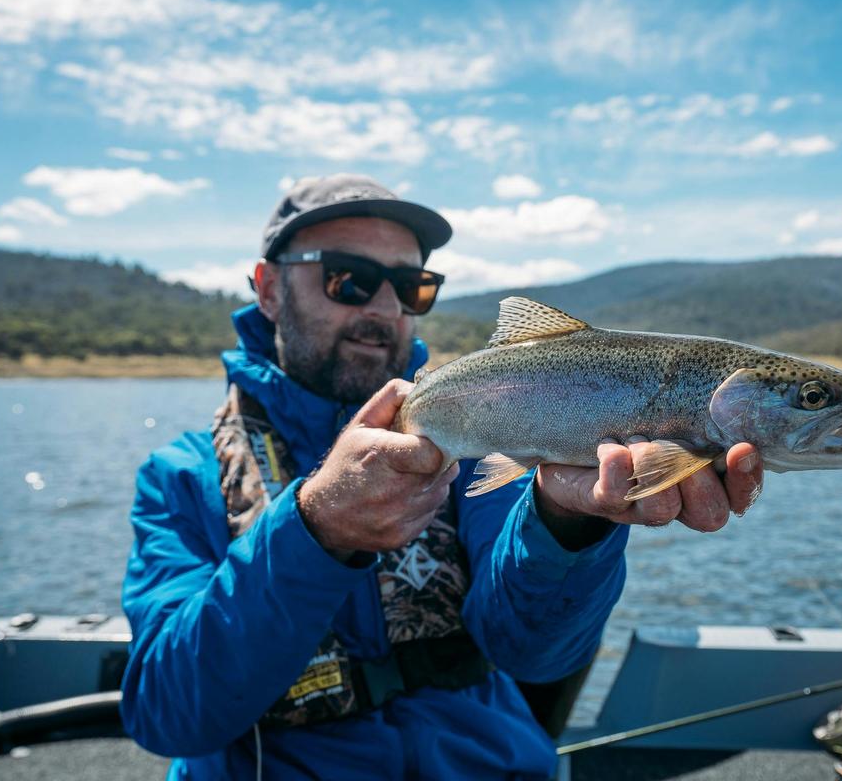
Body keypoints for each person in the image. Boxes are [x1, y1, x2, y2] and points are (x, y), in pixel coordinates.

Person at [120, 174, 764, 779]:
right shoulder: (181, 477)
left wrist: (565, 523)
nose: (383, 308)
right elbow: (167, 715)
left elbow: (535, 655)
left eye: (410, 287)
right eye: (349, 279)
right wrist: (314, 527)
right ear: (267, 288)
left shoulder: (491, 435)